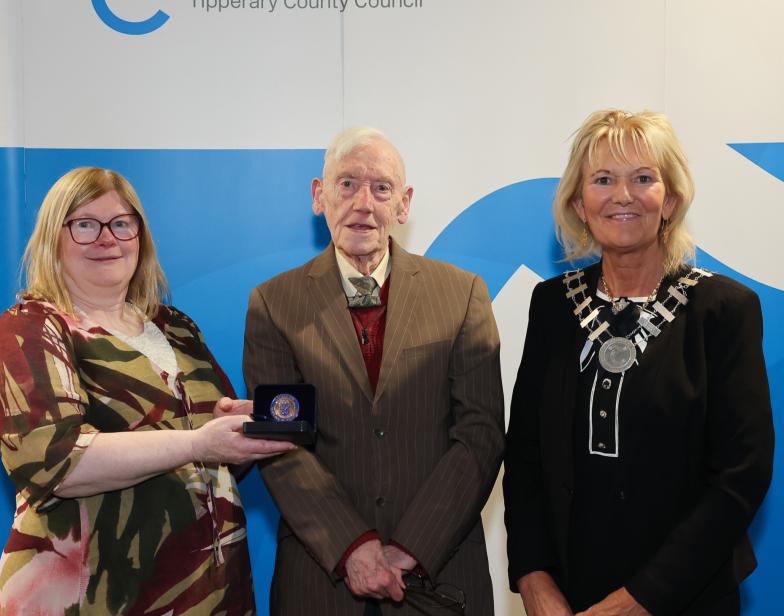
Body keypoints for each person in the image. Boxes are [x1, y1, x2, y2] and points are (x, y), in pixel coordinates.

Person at [0, 167, 295, 615]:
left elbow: (220, 456)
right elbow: (55, 463)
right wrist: (197, 441)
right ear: (55, 237)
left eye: (121, 223)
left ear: (140, 236)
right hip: (93, 597)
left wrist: (237, 425)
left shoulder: (176, 327)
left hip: (210, 594)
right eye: (85, 225)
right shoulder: (30, 328)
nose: (107, 239)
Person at [503, 109, 774, 615]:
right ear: (580, 204)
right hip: (568, 599)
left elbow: (742, 474)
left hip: (688, 597)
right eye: (602, 179)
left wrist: (636, 603)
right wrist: (534, 580)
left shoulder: (724, 311)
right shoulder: (552, 305)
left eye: (643, 178)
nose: (622, 195)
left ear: (669, 200)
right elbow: (525, 459)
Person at [243, 126, 505, 615]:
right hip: (320, 584)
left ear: (403, 205)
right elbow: (280, 442)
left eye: (381, 187)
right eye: (347, 184)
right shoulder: (273, 304)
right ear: (319, 196)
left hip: (439, 577)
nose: (364, 202)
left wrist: (411, 547)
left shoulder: (463, 294)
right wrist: (352, 546)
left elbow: (481, 433)